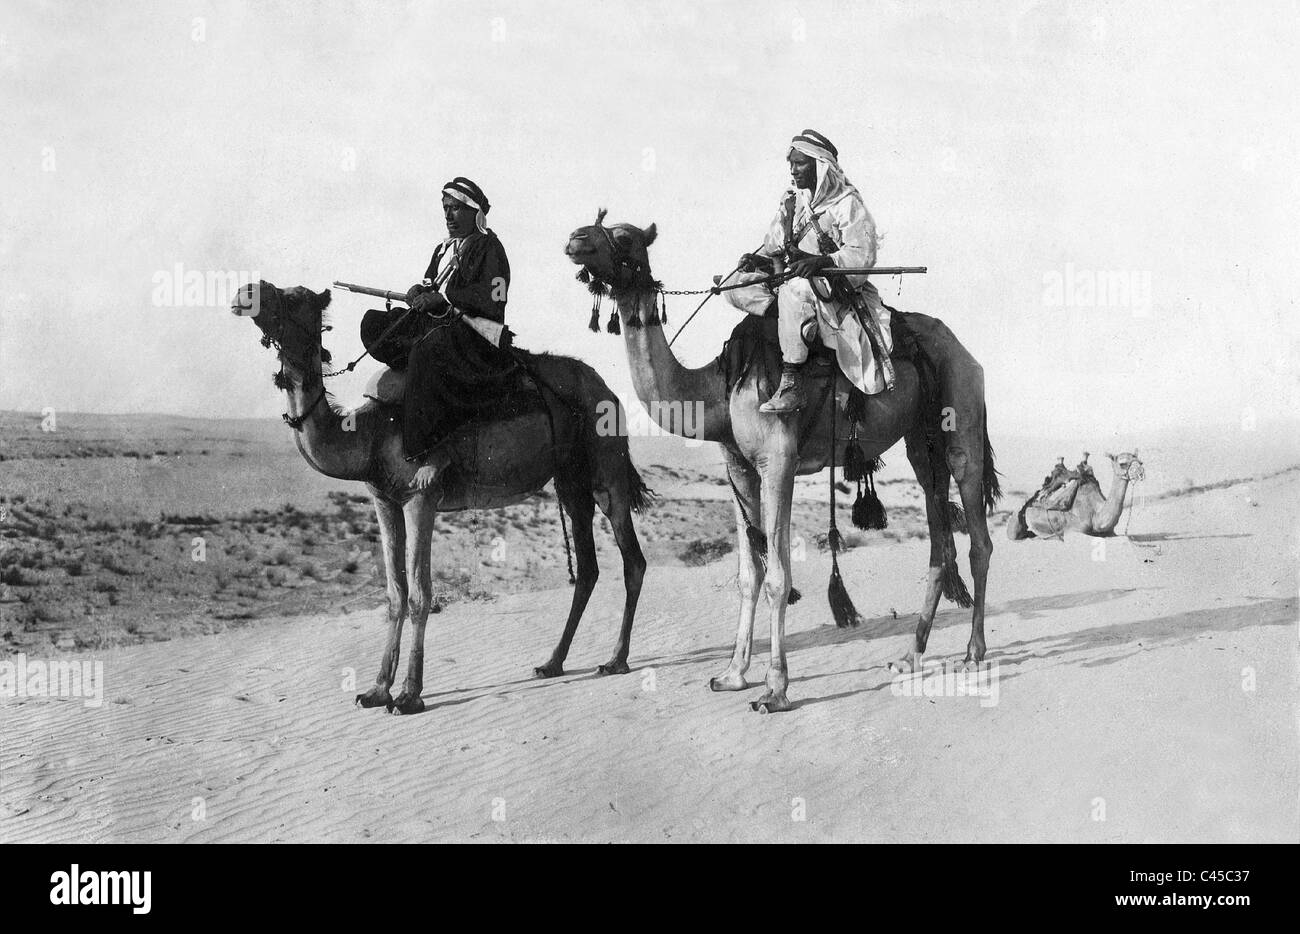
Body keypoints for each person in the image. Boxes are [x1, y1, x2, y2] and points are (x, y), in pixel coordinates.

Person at [725, 129, 892, 413]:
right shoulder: (793, 201)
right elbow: (774, 246)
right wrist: (757, 261)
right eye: (790, 162)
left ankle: (792, 384)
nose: (793, 169)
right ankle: (796, 323)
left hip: (834, 289)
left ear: (819, 165)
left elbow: (862, 255)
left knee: (794, 290)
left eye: (800, 162)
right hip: (794, 282)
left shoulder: (846, 204)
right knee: (733, 283)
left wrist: (820, 262)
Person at [402, 177, 516, 490]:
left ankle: (434, 451)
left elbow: (495, 298)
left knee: (426, 350)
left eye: (455, 209)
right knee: (375, 325)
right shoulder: (443, 249)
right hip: (441, 325)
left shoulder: (490, 248)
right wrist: (417, 292)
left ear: (474, 213)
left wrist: (447, 299)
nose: (448, 215)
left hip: (473, 338)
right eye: (445, 209)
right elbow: (430, 285)